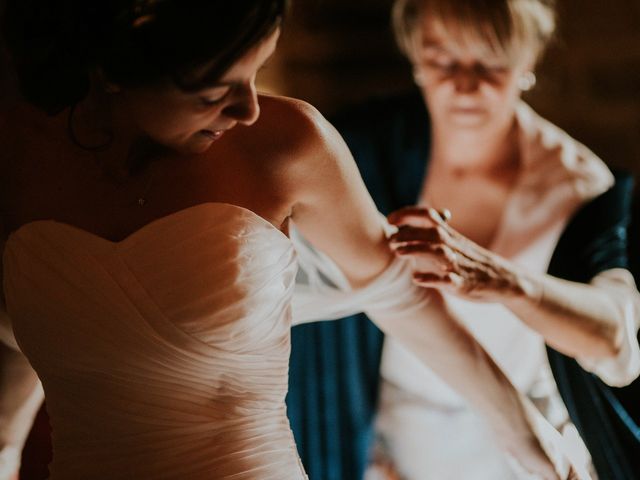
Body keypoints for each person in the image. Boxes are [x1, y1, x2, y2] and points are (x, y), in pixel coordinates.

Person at [0, 0, 587, 479]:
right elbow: (32, 334)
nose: (248, 107)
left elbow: (398, 294)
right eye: (214, 93)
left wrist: (522, 431)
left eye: (256, 73)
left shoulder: (288, 144)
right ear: (111, 74)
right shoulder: (19, 155)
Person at [287, 0, 640, 479]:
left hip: (526, 446)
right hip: (380, 442)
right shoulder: (363, 152)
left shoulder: (576, 186)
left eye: (490, 62)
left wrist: (506, 281)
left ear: (527, 61)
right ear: (414, 56)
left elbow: (616, 345)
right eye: (442, 60)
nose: (465, 84)